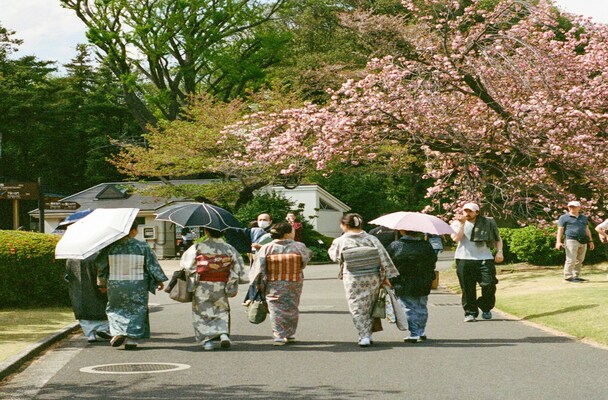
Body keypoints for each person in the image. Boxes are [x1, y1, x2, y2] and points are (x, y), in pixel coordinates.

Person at [328, 213, 399, 347]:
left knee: (356, 306)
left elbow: (334, 256)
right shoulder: (372, 239)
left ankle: (364, 335)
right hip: (372, 276)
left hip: (352, 277)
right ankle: (368, 333)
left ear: (344, 225)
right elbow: (383, 257)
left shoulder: (340, 241)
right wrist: (387, 276)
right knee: (370, 304)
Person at [96, 221, 168, 350]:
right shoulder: (142, 246)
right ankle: (131, 339)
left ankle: (119, 331)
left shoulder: (109, 247)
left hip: (115, 282)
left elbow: (102, 267)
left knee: (115, 308)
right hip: (137, 283)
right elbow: (152, 265)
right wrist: (159, 280)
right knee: (138, 309)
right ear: (133, 231)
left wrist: (102, 283)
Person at [180, 227, 245, 350]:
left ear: (206, 231)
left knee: (203, 311)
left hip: (202, 284)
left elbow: (186, 265)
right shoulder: (229, 248)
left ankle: (208, 341)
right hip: (222, 283)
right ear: (223, 232)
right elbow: (238, 267)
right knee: (222, 309)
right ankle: (223, 334)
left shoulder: (198, 247)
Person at [249, 221, 312, 345]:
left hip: (274, 282)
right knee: (292, 307)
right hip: (294, 281)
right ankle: (290, 334)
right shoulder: (299, 246)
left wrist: (257, 283)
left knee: (275, 308)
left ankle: (279, 335)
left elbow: (260, 267)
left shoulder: (267, 247)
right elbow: (304, 262)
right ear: (287, 233)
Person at [450, 202, 503, 322]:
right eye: (465, 211)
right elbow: (456, 238)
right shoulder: (456, 223)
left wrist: (499, 252)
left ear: (477, 212)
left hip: (485, 258)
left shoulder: (488, 223)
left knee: (489, 284)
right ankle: (470, 313)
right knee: (467, 288)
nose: (467, 213)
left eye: (470, 211)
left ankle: (485, 306)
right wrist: (462, 225)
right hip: (464, 258)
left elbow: (497, 239)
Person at [387, 230, 437, 343]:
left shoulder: (396, 245)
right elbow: (433, 260)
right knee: (421, 306)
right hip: (424, 279)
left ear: (402, 231)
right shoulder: (425, 245)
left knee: (408, 307)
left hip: (403, 280)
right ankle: (421, 331)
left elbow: (388, 262)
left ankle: (414, 333)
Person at [65, 254, 111, 343]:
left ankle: (90, 335)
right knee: (100, 305)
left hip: (78, 288)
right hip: (96, 285)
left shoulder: (71, 257)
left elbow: (68, 274)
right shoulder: (98, 254)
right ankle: (102, 329)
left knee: (82, 308)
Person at [556, 201, 595, 282]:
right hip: (571, 240)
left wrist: (591, 241)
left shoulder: (583, 218)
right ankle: (568, 277)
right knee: (571, 259)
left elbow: (587, 229)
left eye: (574, 206)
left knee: (580, 260)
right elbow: (560, 230)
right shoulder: (563, 217)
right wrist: (558, 242)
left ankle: (575, 276)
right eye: (570, 207)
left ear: (579, 207)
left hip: (583, 240)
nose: (572, 208)